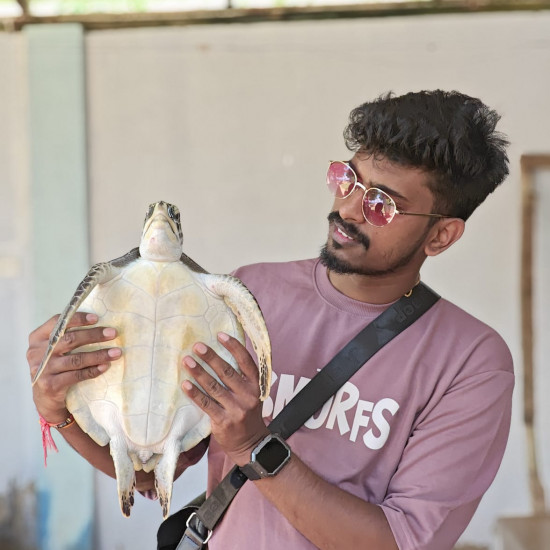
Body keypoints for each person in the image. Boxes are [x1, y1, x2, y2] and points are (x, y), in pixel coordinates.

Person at [27, 90, 514, 550]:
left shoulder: (471, 361)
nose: (346, 209)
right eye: (348, 180)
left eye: (381, 204)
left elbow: (401, 541)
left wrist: (254, 446)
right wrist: (61, 411)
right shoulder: (249, 294)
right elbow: (158, 470)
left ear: (441, 236)